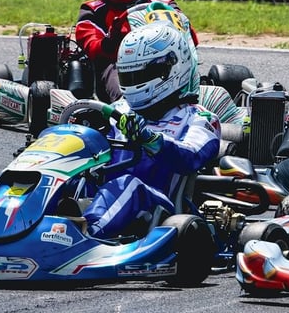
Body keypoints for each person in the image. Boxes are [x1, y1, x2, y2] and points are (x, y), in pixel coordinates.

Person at [80, 22, 221, 239]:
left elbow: (190, 156)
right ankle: (20, 227)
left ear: (170, 69)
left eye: (140, 76)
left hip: (160, 209)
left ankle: (86, 237)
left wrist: (149, 139)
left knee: (127, 185)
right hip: (104, 196)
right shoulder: (117, 110)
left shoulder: (199, 118)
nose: (134, 84)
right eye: (129, 76)